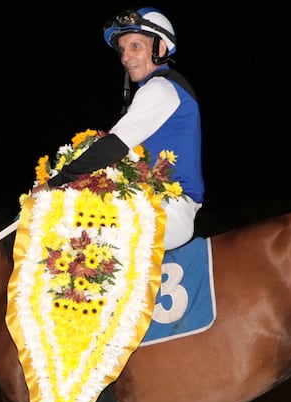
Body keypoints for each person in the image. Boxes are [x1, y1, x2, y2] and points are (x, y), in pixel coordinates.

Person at [39, 6, 203, 251]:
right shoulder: (158, 89)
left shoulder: (161, 89)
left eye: (135, 46)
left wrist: (55, 183)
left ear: (160, 48)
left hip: (169, 210)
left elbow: (112, 148)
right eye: (122, 50)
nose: (125, 57)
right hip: (152, 202)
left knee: (80, 242)